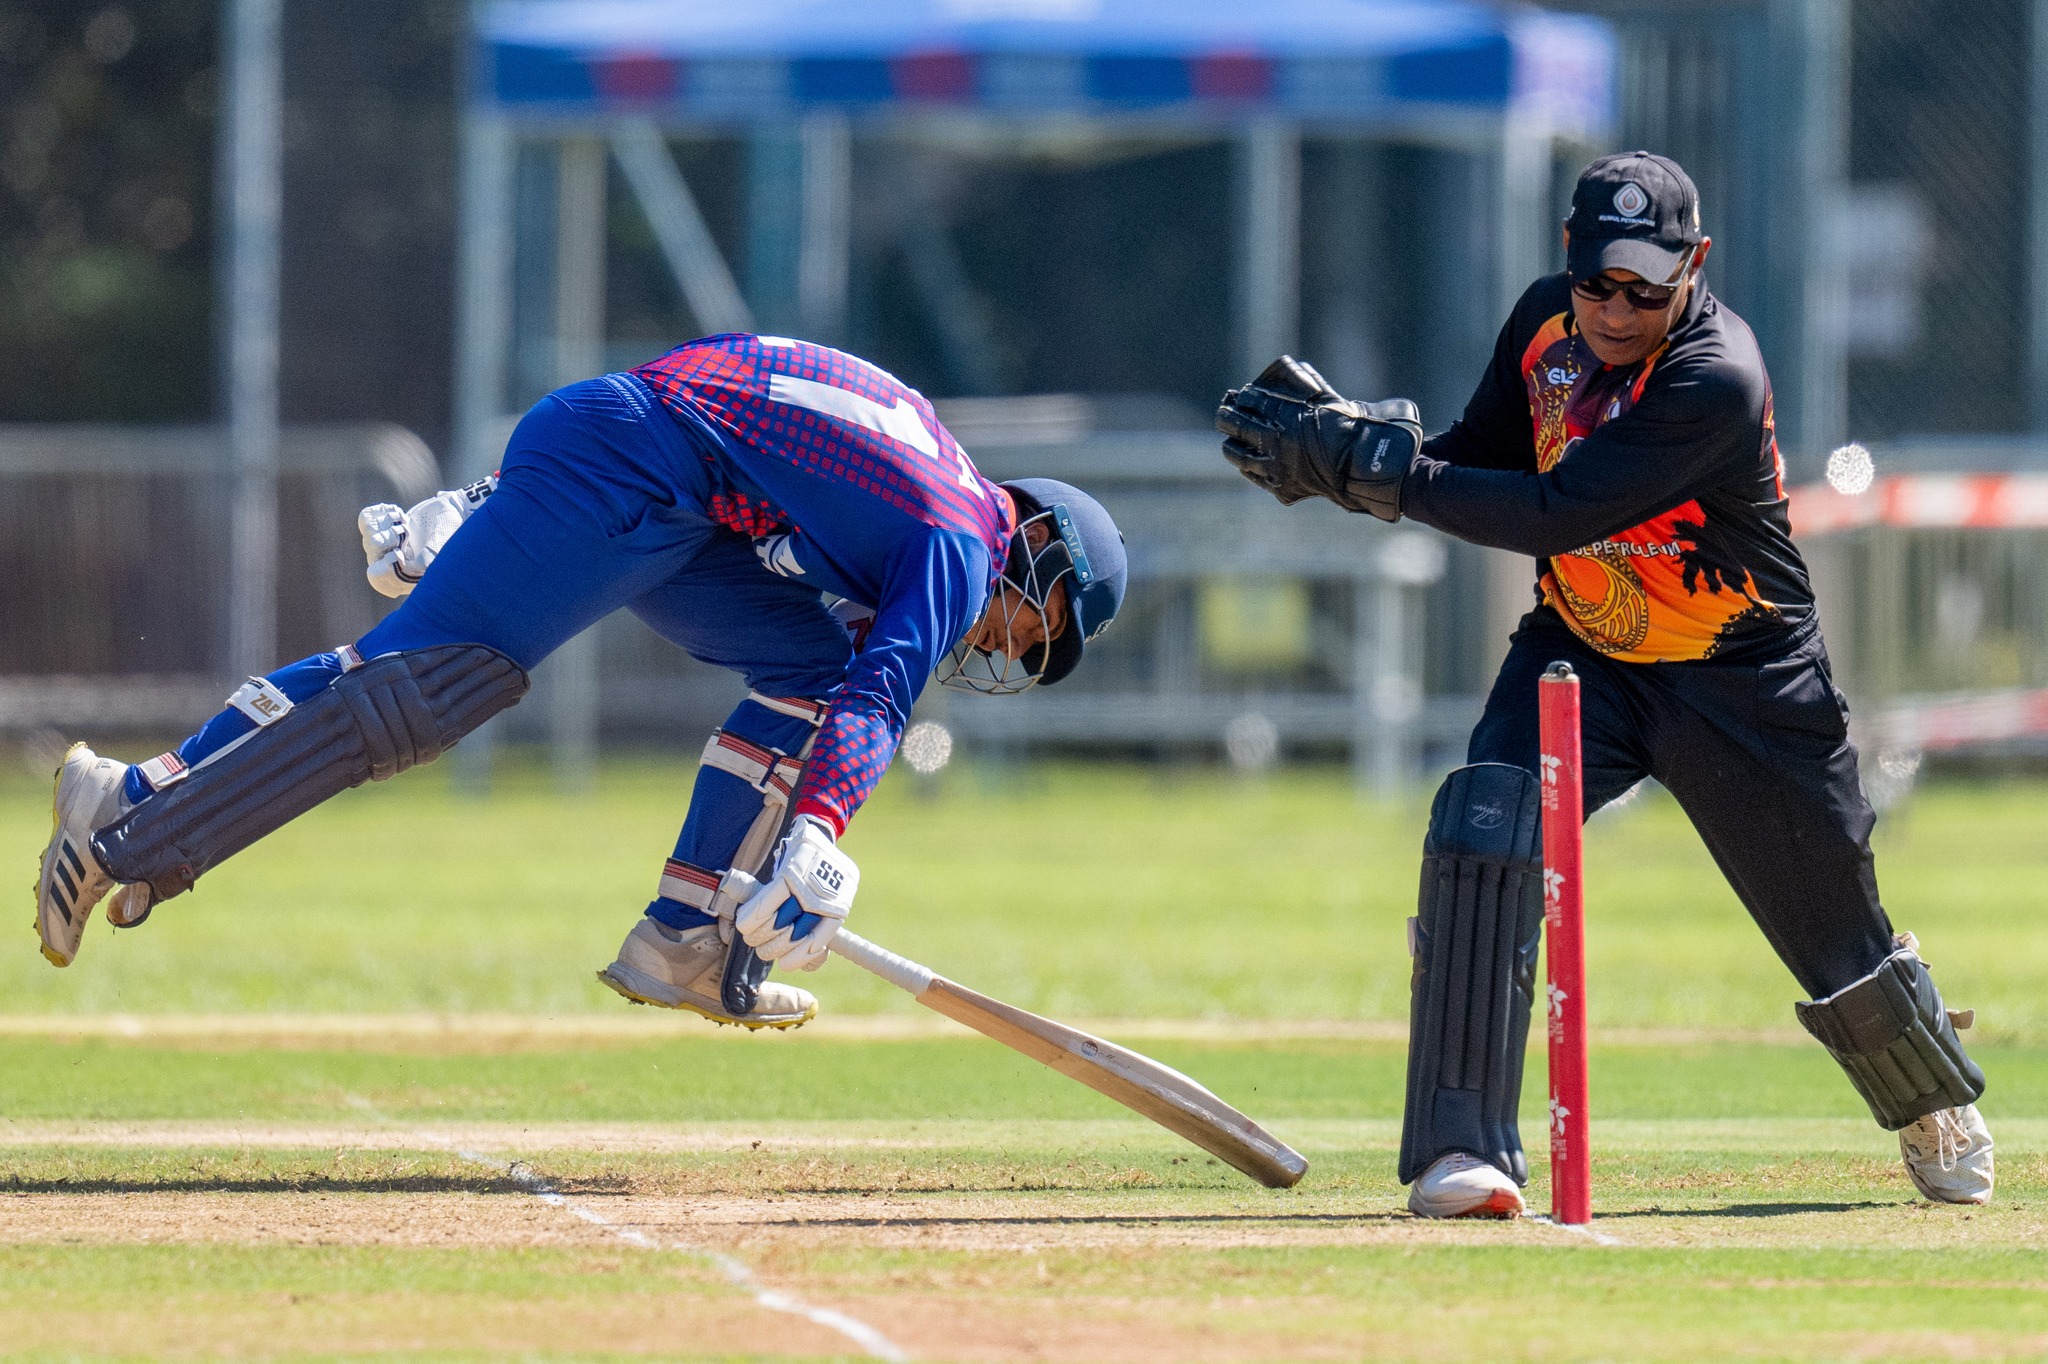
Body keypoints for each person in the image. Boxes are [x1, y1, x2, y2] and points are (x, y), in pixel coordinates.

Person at [1217, 152, 1991, 1214]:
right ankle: (1461, 1149)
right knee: (1483, 830)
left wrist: (1383, 476)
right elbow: (1475, 464)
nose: (1615, 309)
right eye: (1596, 283)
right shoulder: (1544, 329)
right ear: (1568, 266)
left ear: (1694, 267)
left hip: (1740, 676)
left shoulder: (1714, 376)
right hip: (1581, 644)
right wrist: (1352, 455)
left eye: (1645, 286)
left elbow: (1554, 511)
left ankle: (1926, 1095)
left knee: (1836, 941)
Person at [37, 332, 1127, 1029]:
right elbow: (884, 697)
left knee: (809, 665)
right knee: (420, 687)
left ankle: (686, 939)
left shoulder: (930, 464)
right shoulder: (963, 533)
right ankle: (127, 802)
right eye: (1038, 619)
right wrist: (822, 831)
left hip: (658, 474)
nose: (1010, 640)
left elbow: (732, 385)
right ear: (1038, 538)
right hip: (634, 469)